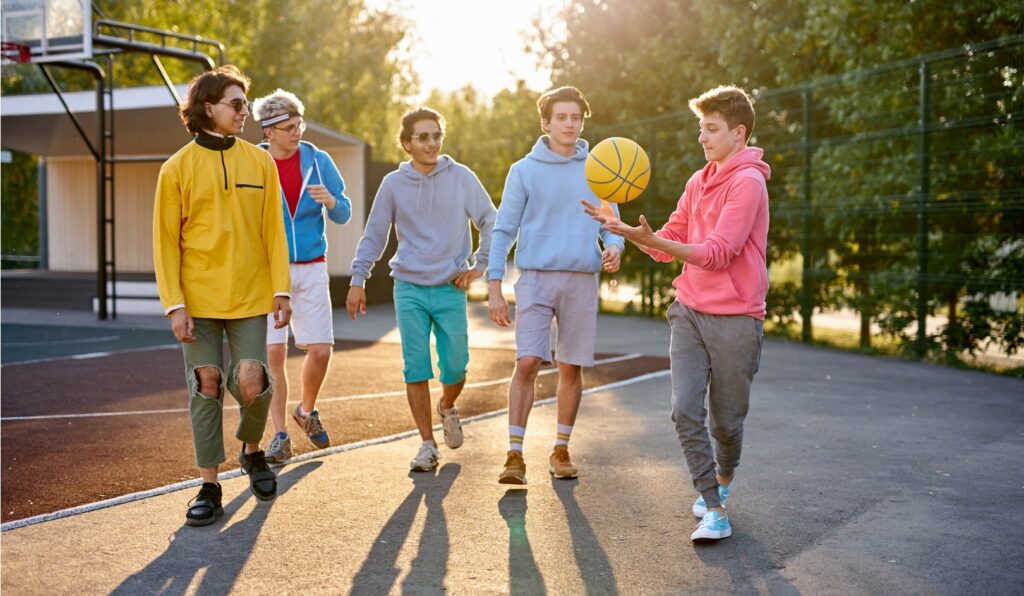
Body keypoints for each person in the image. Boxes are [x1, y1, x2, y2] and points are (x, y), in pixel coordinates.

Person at [584, 85, 770, 542]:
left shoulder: (748, 183)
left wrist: (654, 241)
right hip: (688, 311)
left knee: (726, 422)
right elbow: (669, 245)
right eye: (701, 128)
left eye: (711, 129)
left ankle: (723, 479)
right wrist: (629, 233)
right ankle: (713, 506)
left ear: (738, 133)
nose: (702, 138)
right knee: (685, 409)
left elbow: (717, 253)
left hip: (736, 318)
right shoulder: (697, 180)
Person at [153, 65, 292, 526]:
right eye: (236, 104)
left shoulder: (261, 162)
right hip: (196, 302)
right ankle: (209, 485)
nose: (244, 112)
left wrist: (281, 288)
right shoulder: (176, 169)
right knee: (207, 385)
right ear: (207, 108)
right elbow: (164, 242)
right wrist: (174, 304)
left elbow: (274, 230)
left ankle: (252, 451)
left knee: (253, 380)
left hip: (252, 295)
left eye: (245, 104)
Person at [347, 107, 497, 472]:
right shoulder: (393, 184)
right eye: (423, 137)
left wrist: (480, 264)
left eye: (436, 135)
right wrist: (357, 279)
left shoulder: (461, 177)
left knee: (456, 367)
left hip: (450, 287)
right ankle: (427, 444)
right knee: (416, 367)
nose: (431, 143)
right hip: (409, 287)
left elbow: (491, 219)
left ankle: (446, 406)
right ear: (406, 144)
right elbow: (375, 234)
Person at [487, 86, 624, 485]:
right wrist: (495, 285)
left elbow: (612, 224)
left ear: (582, 121)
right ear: (545, 123)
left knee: (570, 366)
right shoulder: (523, 170)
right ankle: (514, 454)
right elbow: (503, 231)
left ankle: (561, 448)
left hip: (581, 280)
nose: (569, 123)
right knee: (528, 361)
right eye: (561, 117)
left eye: (575, 117)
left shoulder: (600, 169)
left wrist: (614, 248)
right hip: (534, 279)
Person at [252, 89, 353, 463]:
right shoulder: (255, 163)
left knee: (322, 350)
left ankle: (306, 411)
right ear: (269, 132)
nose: (297, 133)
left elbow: (344, 212)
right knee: (273, 353)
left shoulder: (318, 159)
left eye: (299, 125)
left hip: (312, 265)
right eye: (289, 127)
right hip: (269, 270)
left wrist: (331, 201)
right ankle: (279, 435)